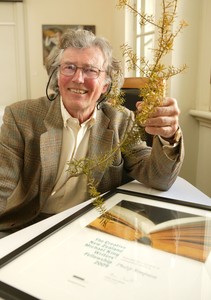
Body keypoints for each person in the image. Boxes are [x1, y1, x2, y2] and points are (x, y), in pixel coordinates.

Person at [0, 29, 184, 234]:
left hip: (93, 226)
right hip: (30, 225)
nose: (78, 78)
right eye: (69, 67)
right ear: (57, 76)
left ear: (106, 85)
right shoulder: (20, 116)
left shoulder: (120, 121)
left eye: (90, 70)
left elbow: (158, 178)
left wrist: (169, 136)